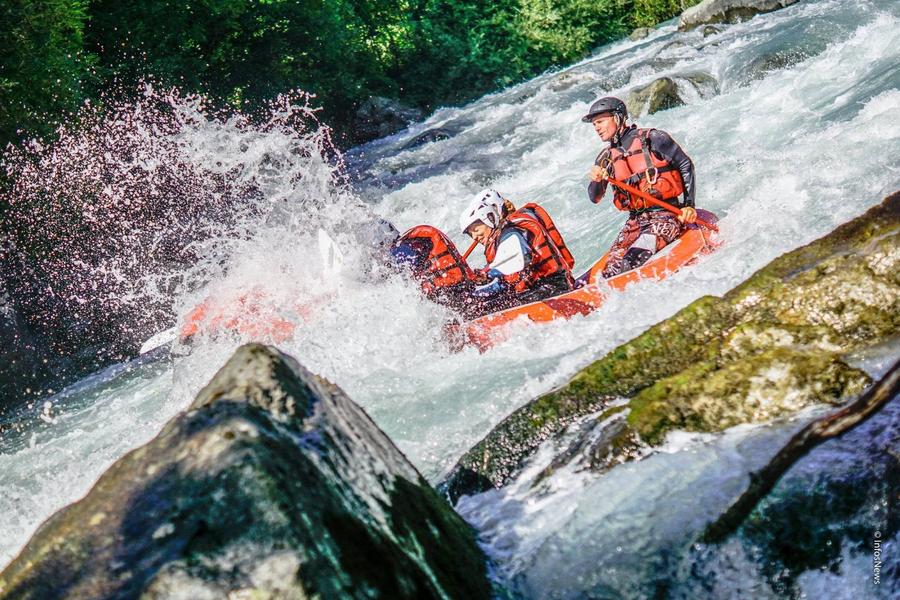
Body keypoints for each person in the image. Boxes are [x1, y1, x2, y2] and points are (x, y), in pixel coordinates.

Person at [584, 96, 698, 279]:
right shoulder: (605, 157)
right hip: (634, 222)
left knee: (629, 263)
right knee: (609, 272)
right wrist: (597, 180)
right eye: (594, 124)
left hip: (666, 214)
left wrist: (689, 205)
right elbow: (594, 197)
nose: (596, 128)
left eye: (600, 121)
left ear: (618, 117)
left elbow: (685, 165)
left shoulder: (653, 138)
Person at [459, 189, 573, 312]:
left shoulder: (511, 232)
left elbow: (522, 258)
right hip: (551, 284)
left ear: (490, 216)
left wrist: (488, 274)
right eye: (471, 234)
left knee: (480, 308)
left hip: (549, 289)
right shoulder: (508, 231)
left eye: (476, 230)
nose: (475, 237)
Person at [389, 223, 478, 314]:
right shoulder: (410, 241)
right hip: (459, 285)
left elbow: (405, 277)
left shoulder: (400, 249)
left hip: (449, 290)